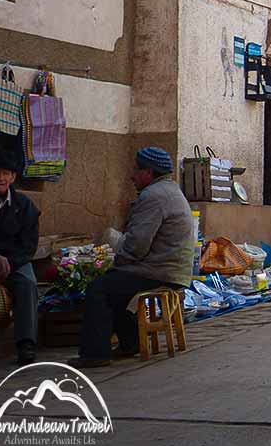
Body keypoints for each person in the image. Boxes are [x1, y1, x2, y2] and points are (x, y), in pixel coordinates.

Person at [70, 147, 193, 368]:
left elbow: (137, 245)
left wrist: (116, 259)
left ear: (148, 172)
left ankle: (94, 354)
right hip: (171, 269)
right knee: (116, 287)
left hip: (159, 271)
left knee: (99, 288)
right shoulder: (171, 191)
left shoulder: (153, 196)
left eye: (136, 170)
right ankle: (130, 343)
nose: (132, 176)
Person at [0, 150, 39, 366]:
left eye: (6, 173)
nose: (1, 178)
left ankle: (26, 344)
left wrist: (8, 262)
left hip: (15, 261)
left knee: (27, 284)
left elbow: (29, 246)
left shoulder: (25, 206)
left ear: (13, 178)